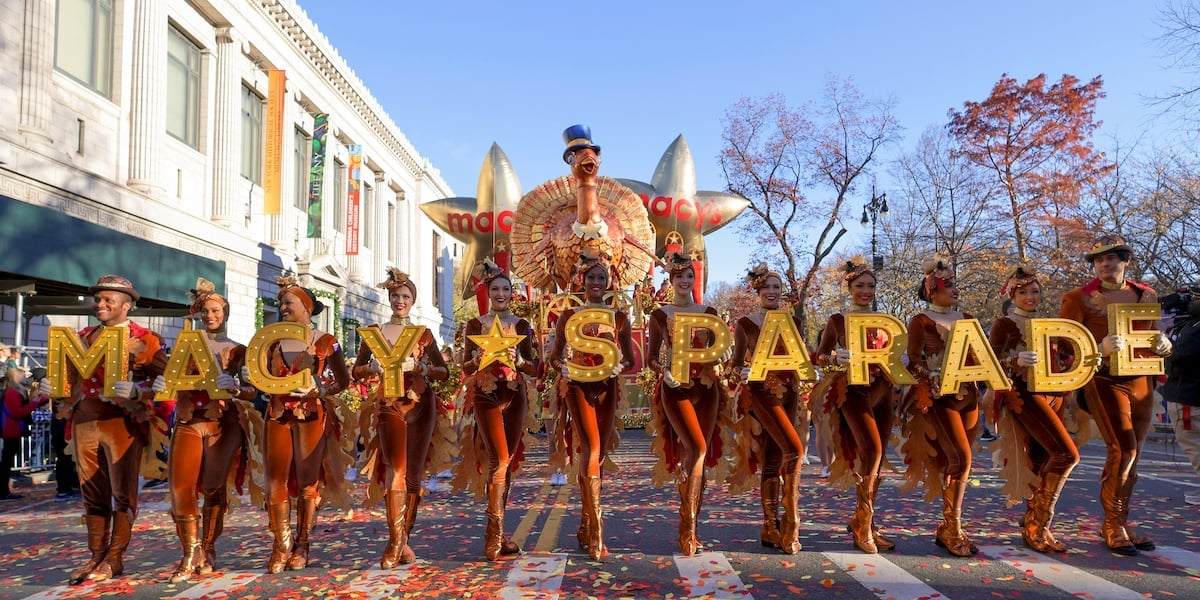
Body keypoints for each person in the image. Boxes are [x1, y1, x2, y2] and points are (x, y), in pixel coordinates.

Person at [1060, 235, 1172, 555]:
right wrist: (1097, 348)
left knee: (1133, 454)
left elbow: (1151, 335)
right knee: (1123, 448)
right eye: (1098, 260)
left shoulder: (1145, 294)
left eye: (1111, 258)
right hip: (1103, 378)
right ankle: (1112, 525)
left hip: (1141, 380)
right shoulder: (1077, 298)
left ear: (1125, 261)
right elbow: (1063, 347)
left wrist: (1163, 344)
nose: (1104, 264)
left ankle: (1118, 520)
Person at [54, 275, 167, 584]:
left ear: (126, 306)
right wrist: (55, 387)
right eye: (98, 299)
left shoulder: (146, 340)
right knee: (91, 492)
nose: (100, 304)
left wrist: (138, 390)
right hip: (84, 423)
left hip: (123, 424)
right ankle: (96, 555)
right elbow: (69, 381)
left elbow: (167, 383)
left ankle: (114, 557)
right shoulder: (82, 337)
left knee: (122, 494)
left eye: (108, 300)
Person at [151, 278, 259, 582]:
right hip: (188, 421)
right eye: (205, 311)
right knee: (180, 488)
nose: (210, 316)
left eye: (216, 310)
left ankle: (208, 548)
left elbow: (253, 392)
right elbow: (167, 381)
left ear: (225, 313)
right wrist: (161, 386)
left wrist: (238, 387)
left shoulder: (238, 350)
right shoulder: (184, 347)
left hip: (222, 424)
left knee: (213, 487)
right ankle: (190, 552)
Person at [352, 268, 450, 568]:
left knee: (414, 476)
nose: (400, 301)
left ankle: (403, 537)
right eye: (395, 295)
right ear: (389, 298)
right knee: (395, 469)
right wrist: (372, 369)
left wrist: (423, 369)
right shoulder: (375, 333)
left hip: (421, 404)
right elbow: (355, 371)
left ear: (413, 300)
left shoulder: (424, 334)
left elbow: (444, 372)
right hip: (389, 404)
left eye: (406, 296)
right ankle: (394, 544)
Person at [546, 251, 634, 561]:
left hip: (607, 387)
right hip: (578, 387)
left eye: (602, 277)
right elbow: (554, 357)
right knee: (591, 448)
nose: (596, 282)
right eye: (591, 277)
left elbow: (631, 360)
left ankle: (585, 522)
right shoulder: (569, 317)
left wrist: (619, 366)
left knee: (601, 451)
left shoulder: (619, 317)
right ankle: (597, 531)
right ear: (581, 280)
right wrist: (564, 368)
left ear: (608, 282)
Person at [260, 275, 351, 573]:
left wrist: (320, 390)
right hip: (276, 414)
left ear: (306, 307)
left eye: (289, 302)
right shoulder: (269, 339)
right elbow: (253, 374)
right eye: (281, 302)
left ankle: (302, 543)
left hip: (311, 416)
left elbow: (344, 381)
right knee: (275, 480)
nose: (283, 307)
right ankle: (281, 545)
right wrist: (249, 380)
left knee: (308, 482)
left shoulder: (327, 341)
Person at [988, 266, 1080, 552]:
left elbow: (1068, 356)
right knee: (1066, 455)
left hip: (1054, 394)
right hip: (1023, 394)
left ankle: (1034, 521)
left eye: (1035, 291)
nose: (1030, 297)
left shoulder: (1049, 324)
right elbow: (989, 364)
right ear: (1012, 294)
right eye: (1023, 292)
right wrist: (1014, 362)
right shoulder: (1004, 324)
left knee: (1041, 459)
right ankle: (1038, 524)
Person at [646, 251, 732, 556]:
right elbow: (651, 359)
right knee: (697, 448)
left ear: (695, 280)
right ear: (671, 280)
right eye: (679, 276)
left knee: (699, 457)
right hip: (676, 388)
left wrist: (723, 358)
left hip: (707, 389)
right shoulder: (659, 315)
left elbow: (720, 352)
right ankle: (687, 530)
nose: (685, 281)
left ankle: (692, 529)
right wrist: (664, 372)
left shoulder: (710, 312)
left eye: (689, 276)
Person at [452, 263, 538, 560]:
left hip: (515, 396)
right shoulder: (475, 325)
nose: (501, 294)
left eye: (505, 289)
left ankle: (500, 534)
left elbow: (534, 367)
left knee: (506, 463)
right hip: (485, 394)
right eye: (495, 289)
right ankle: (493, 534)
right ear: (487, 293)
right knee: (498, 458)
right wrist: (476, 360)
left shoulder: (523, 326)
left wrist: (519, 360)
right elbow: (463, 367)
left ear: (512, 293)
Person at [899, 256, 981, 557]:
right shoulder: (921, 320)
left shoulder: (968, 317)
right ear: (931, 290)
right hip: (936, 396)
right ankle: (954, 527)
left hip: (968, 394)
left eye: (956, 284)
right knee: (962, 457)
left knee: (955, 463)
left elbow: (979, 354)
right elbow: (914, 358)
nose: (955, 289)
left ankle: (947, 526)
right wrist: (929, 374)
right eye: (948, 285)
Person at [815, 256, 897, 554]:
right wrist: (836, 357)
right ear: (849, 287)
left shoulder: (885, 322)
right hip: (852, 390)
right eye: (860, 285)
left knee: (877, 457)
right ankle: (863, 526)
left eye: (871, 286)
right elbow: (820, 355)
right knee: (871, 450)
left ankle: (866, 521)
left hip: (884, 390)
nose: (866, 291)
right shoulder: (838, 320)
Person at [730, 263, 805, 554]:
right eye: (767, 287)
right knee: (794, 449)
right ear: (757, 290)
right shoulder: (746, 324)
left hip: (791, 392)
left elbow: (802, 357)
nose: (772, 292)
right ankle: (791, 520)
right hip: (761, 391)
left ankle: (769, 525)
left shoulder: (793, 322)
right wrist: (742, 372)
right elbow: (735, 364)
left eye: (777, 287)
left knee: (774, 457)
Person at [1160, 285, 1200, 505]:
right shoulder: (1190, 324)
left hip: (1188, 398)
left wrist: (1163, 344)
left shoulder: (1195, 329)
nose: (1189, 302)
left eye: (1194, 298)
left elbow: (1178, 355)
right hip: (1190, 395)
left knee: (1194, 446)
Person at [1, 367, 49, 501]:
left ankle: (4, 490)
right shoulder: (12, 392)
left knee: (8, 459)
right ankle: (3, 491)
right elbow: (18, 412)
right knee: (6, 460)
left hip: (13, 429)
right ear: (16, 376)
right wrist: (34, 403)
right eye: (22, 373)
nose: (25, 375)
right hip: (10, 429)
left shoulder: (16, 391)